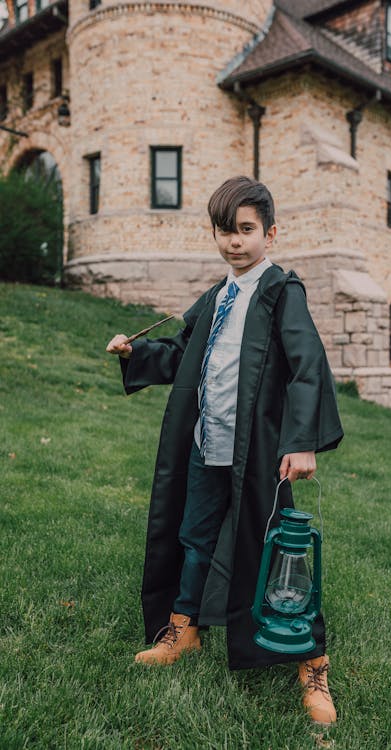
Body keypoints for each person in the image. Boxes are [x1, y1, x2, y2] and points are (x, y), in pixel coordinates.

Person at [106, 176, 344, 725]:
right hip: (207, 443)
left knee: (281, 554)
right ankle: (183, 629)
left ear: (269, 232)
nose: (235, 241)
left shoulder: (282, 292)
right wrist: (134, 353)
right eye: (225, 231)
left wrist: (302, 441)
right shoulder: (216, 297)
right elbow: (184, 355)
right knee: (193, 537)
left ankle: (313, 665)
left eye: (246, 230)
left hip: (258, 451)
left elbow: (309, 365)